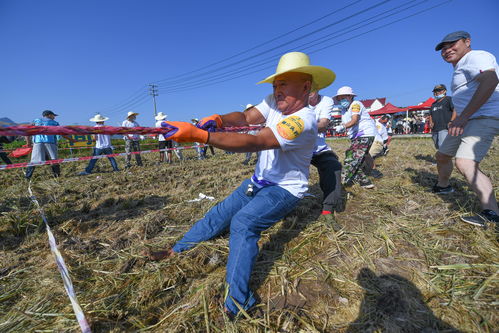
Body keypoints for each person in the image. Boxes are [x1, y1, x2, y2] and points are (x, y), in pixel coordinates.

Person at [147, 51, 335, 316]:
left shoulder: (302, 121)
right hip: (258, 181)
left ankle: (237, 301)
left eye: (284, 83)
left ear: (306, 87)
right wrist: (221, 120)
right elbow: (247, 118)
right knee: (221, 212)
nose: (277, 89)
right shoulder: (274, 102)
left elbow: (257, 140)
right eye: (275, 84)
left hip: (284, 189)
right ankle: (176, 251)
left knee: (243, 223)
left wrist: (201, 136)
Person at [433, 30, 499, 226]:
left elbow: (490, 80)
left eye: (452, 45)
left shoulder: (475, 57)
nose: (447, 50)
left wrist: (465, 117)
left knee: (465, 162)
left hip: (483, 117)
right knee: (443, 155)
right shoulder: (460, 67)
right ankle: (443, 186)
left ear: (467, 42)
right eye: (443, 48)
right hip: (467, 119)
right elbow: (463, 98)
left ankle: (492, 213)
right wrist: (456, 119)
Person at [308, 89, 343, 221]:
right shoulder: (295, 102)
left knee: (333, 166)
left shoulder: (326, 101)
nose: (310, 90)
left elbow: (323, 124)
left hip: (318, 147)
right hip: (298, 147)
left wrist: (302, 127)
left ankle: (327, 208)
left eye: (313, 86)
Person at [334, 86, 377, 189]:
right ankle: (365, 182)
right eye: (339, 98)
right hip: (356, 136)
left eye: (343, 97)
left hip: (364, 134)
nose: (341, 100)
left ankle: (340, 182)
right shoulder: (344, 110)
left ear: (350, 96)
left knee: (351, 159)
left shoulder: (355, 104)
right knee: (355, 159)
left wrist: (343, 127)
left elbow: (354, 120)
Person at [25, 110, 74, 179]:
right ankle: (57, 177)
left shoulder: (36, 121)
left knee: (33, 161)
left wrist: (28, 142)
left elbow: (27, 131)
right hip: (50, 142)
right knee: (54, 159)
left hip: (38, 142)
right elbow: (62, 133)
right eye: (54, 115)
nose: (54, 117)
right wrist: (72, 140)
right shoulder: (54, 123)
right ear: (49, 115)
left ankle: (27, 177)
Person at [429, 84, 457, 149]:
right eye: (435, 91)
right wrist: (431, 122)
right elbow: (430, 114)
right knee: (437, 146)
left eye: (439, 90)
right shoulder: (433, 104)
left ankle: (446, 158)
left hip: (445, 127)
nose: (437, 92)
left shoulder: (449, 99)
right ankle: (444, 157)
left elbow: (455, 110)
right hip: (435, 128)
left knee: (442, 145)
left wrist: (451, 121)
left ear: (444, 91)